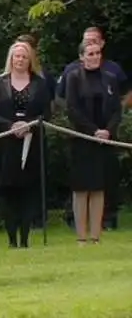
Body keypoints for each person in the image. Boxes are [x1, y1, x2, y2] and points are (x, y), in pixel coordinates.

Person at [0, 41, 50, 248]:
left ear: (30, 59)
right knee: (9, 193)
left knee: (28, 192)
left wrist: (29, 125)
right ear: (11, 59)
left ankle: (25, 238)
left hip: (32, 143)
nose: (20, 60)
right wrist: (10, 125)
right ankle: (11, 239)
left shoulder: (40, 84)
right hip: (6, 145)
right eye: (17, 56)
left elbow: (47, 113)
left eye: (24, 56)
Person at [64, 41, 121, 245]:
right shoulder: (74, 78)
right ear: (82, 56)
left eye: (97, 53)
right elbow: (72, 109)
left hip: (104, 140)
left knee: (99, 187)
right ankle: (81, 236)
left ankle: (96, 236)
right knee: (82, 189)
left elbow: (116, 110)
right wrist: (93, 131)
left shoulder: (110, 79)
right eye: (90, 53)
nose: (95, 56)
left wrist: (108, 131)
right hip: (82, 139)